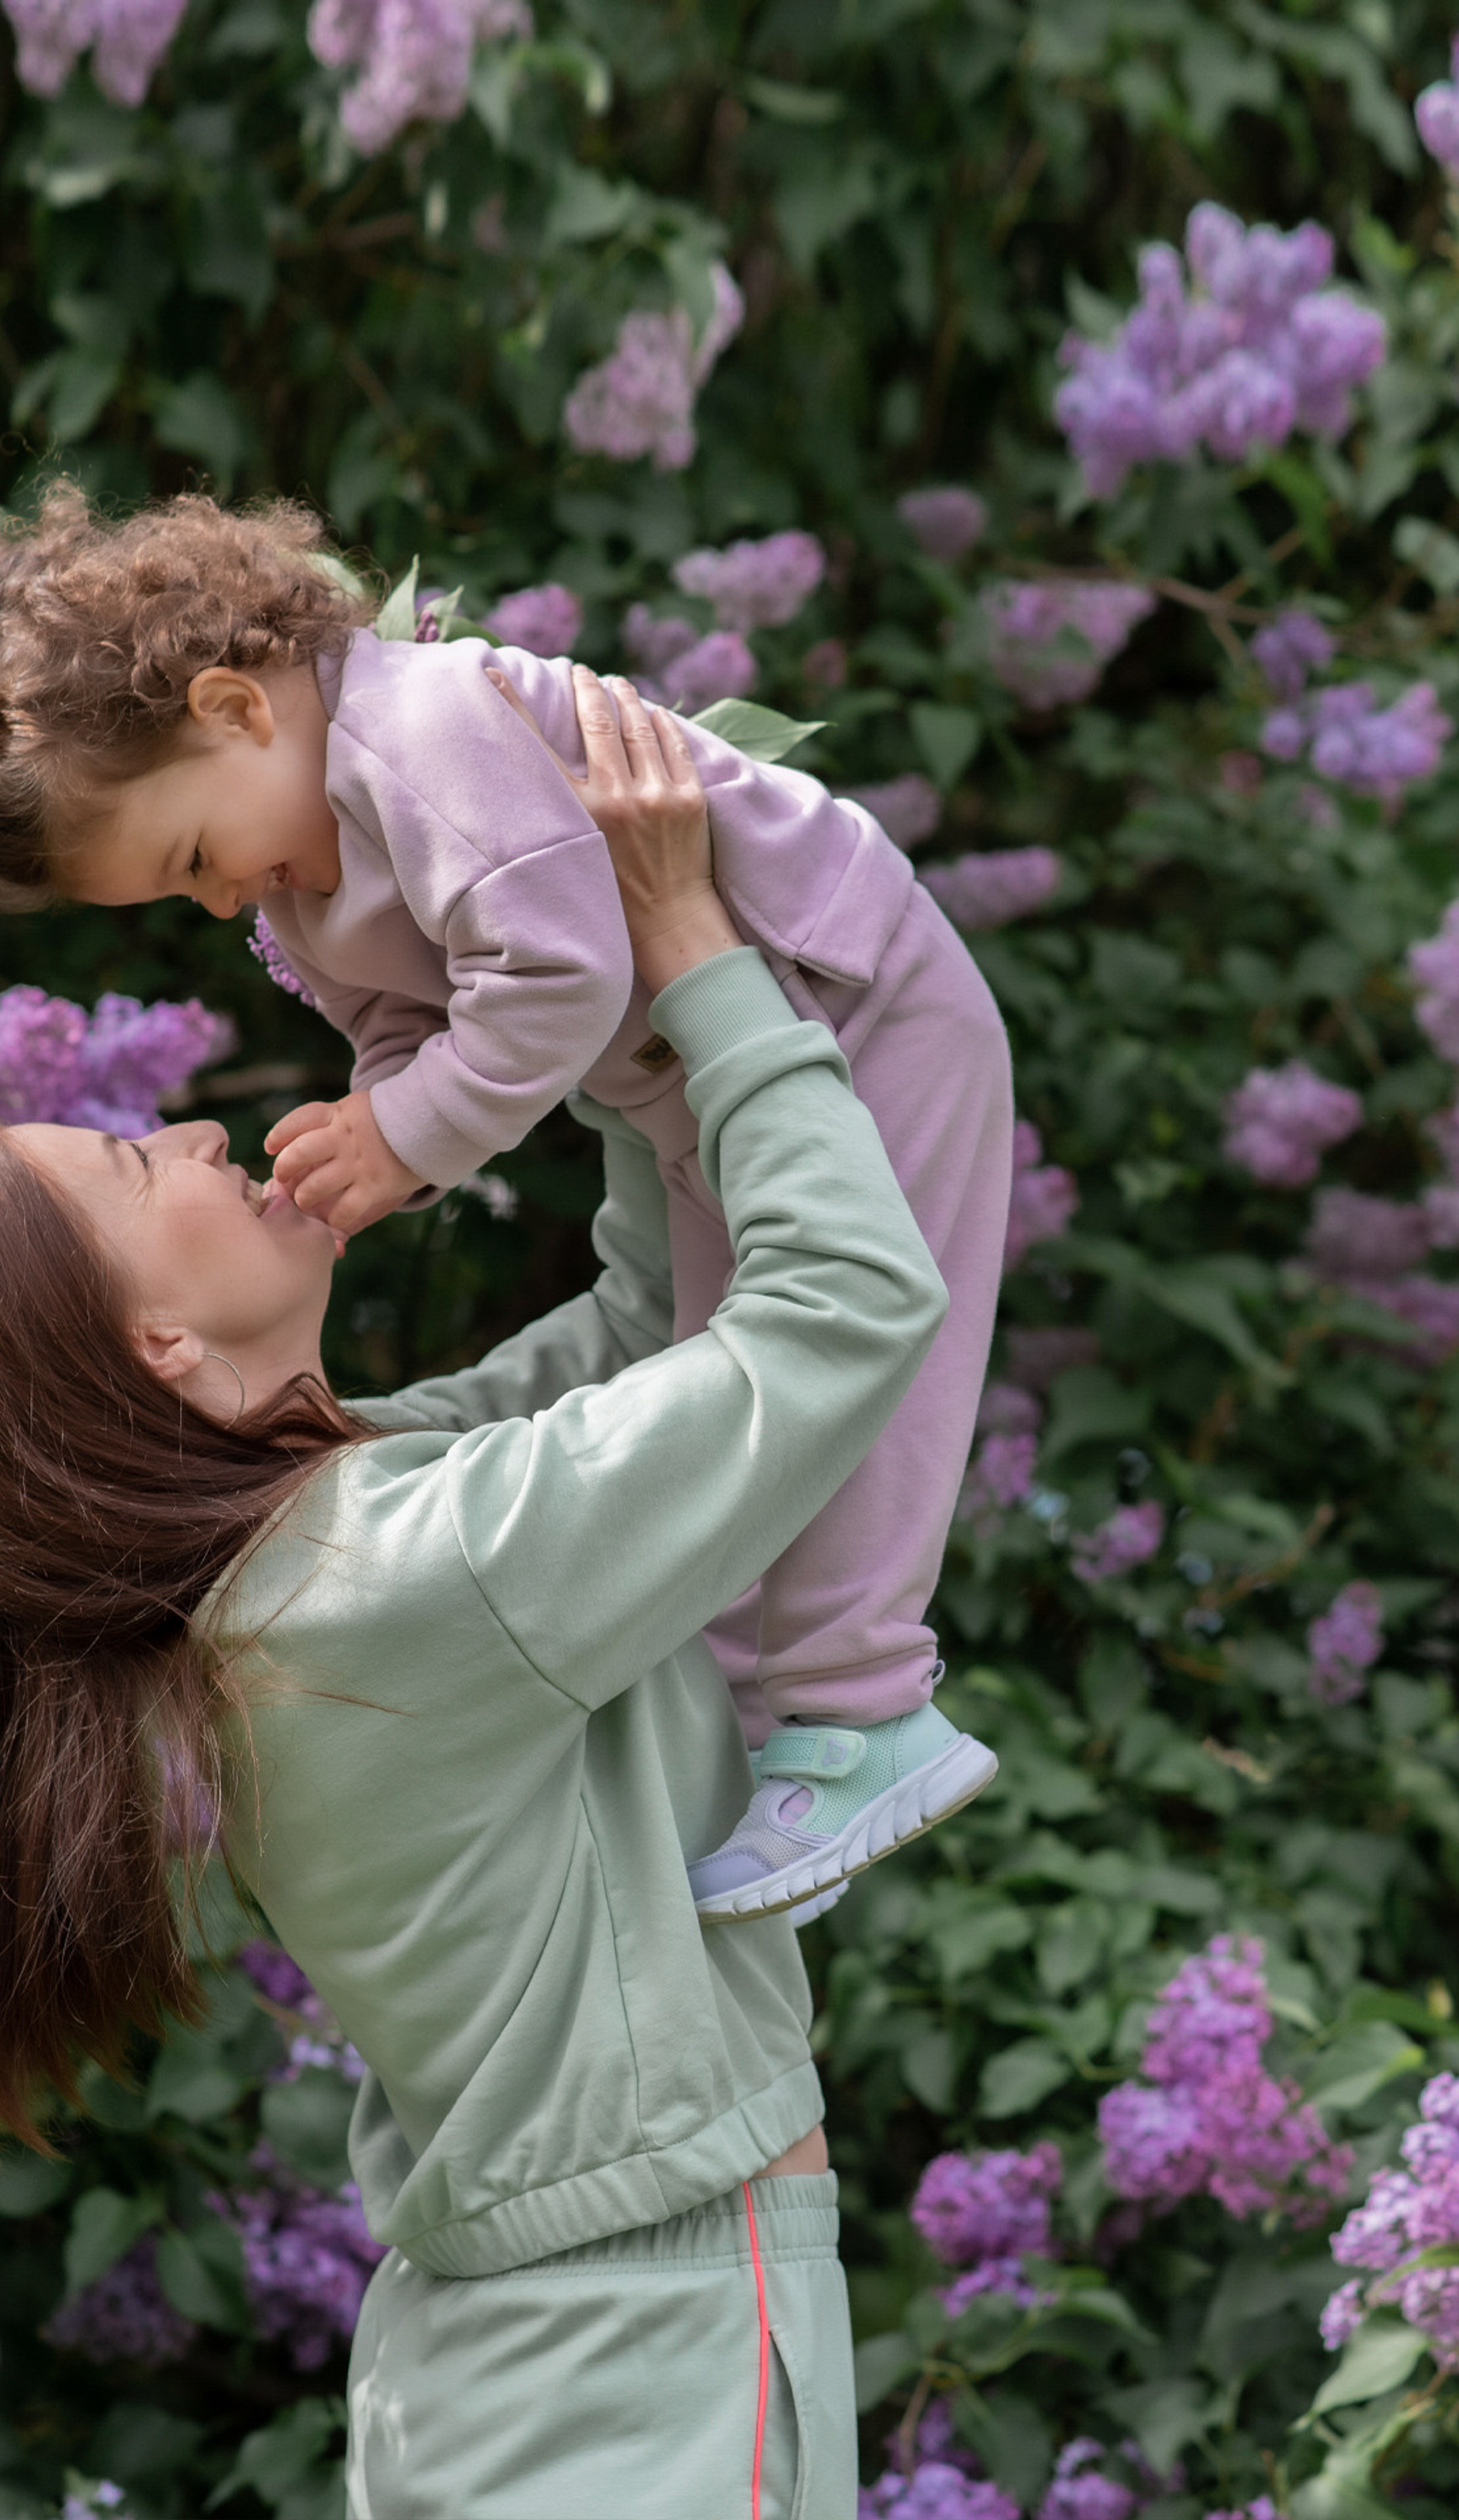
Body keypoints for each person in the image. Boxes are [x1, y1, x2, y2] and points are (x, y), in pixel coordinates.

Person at [0, 690, 954, 2516]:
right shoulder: (382, 1587)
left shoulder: (320, 1546)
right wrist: (683, 949)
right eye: (140, 1168)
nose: (199, 1136)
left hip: (556, 2361)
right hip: (630, 2370)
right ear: (160, 1344)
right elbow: (838, 1312)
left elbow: (643, 1323)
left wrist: (561, 973)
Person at [0, 484, 1013, 1920]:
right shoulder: (299, 860)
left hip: (849, 1002)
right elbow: (420, 1023)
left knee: (857, 1366)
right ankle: (754, 1736)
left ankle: (865, 1708)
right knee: (719, 1374)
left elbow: (560, 973)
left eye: (189, 857)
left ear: (234, 706)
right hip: (707, 1075)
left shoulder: (416, 731)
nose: (219, 899)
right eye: (179, 894)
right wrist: (373, 1120)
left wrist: (409, 1137)